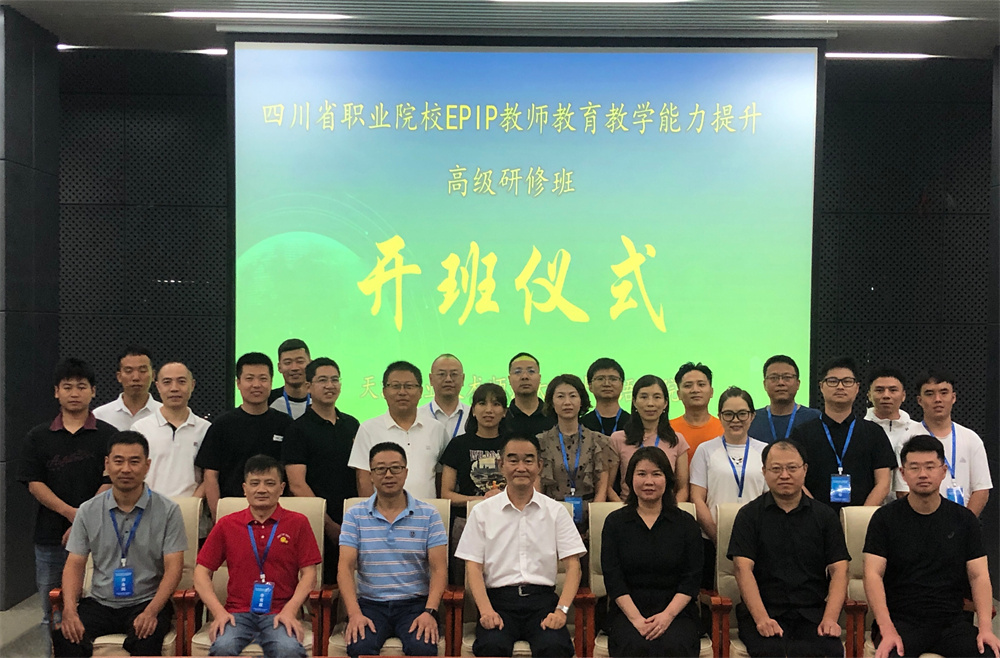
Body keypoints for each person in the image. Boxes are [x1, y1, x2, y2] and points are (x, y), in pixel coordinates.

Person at [53, 431, 187, 657]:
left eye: (134, 462)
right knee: (65, 635)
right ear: (107, 464)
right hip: (99, 602)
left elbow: (174, 567)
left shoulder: (168, 511)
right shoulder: (88, 510)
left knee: (147, 636)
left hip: (146, 601)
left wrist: (152, 611)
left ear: (147, 466)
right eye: (118, 461)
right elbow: (75, 564)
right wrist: (70, 610)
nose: (126, 469)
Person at [864, 434, 1000, 658]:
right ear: (903, 474)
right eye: (914, 467)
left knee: (988, 653)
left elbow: (978, 576)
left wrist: (986, 629)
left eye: (930, 467)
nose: (923, 474)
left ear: (943, 471)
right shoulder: (884, 519)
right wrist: (887, 629)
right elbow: (872, 574)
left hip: (952, 622)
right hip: (901, 622)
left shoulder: (964, 520)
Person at [455, 435, 586, 658]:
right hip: (498, 602)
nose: (521, 467)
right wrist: (486, 611)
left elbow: (574, 566)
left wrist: (561, 611)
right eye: (513, 460)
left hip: (542, 602)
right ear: (501, 465)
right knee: (492, 646)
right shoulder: (482, 512)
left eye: (528, 460)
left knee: (554, 646)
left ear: (539, 465)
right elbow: (473, 567)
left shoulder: (556, 511)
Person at [19, 358, 116, 656]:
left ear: (93, 391)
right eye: (68, 387)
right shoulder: (38, 437)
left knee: (99, 609)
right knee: (52, 612)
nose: (75, 393)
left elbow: (111, 480)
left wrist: (82, 521)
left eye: (81, 387)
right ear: (56, 392)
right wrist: (72, 514)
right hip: (51, 538)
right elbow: (34, 483)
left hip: (101, 538)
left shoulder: (109, 435)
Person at [727, 440, 850, 658]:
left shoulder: (825, 516)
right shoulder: (749, 516)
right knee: (771, 651)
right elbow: (742, 569)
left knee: (828, 651)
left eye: (792, 468)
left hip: (812, 614)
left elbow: (840, 569)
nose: (784, 475)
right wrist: (762, 619)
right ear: (764, 472)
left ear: (805, 469)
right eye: (776, 469)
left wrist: (830, 619)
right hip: (765, 611)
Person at [194, 454, 322, 657]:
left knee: (288, 650)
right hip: (237, 614)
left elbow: (309, 574)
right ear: (245, 489)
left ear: (281, 488)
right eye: (255, 483)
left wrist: (291, 610)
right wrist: (218, 612)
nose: (261, 489)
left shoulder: (298, 522)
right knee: (223, 647)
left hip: (280, 612)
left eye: (270, 483)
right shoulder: (227, 524)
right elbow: (201, 572)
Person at [338, 442, 447, 658]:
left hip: (415, 604)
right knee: (360, 646)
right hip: (370, 604)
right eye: (380, 469)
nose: (388, 475)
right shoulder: (354, 515)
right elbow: (345, 567)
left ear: (406, 472)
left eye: (395, 468)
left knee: (423, 647)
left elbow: (439, 569)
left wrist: (429, 612)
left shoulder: (429, 514)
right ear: (371, 475)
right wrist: (354, 614)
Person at [602, 447, 702, 657]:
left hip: (676, 612)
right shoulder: (615, 523)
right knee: (634, 646)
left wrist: (667, 616)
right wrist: (637, 619)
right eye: (641, 474)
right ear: (630, 479)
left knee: (674, 645)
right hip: (628, 612)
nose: (649, 481)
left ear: (667, 480)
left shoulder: (686, 524)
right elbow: (613, 579)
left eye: (656, 474)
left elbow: (691, 579)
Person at [283, 357, 360, 584]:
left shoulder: (352, 425)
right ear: (308, 386)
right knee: (320, 584)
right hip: (315, 522)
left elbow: (362, 474)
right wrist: (328, 524)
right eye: (323, 380)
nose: (330, 386)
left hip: (352, 519)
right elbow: (297, 484)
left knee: (354, 582)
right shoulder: (297, 429)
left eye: (335, 380)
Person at [790, 356, 896, 512]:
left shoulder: (874, 432)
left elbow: (883, 483)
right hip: (813, 518)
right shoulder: (802, 433)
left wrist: (859, 516)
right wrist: (818, 515)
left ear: (857, 388)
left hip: (862, 519)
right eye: (833, 381)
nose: (840, 386)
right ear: (821, 386)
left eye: (847, 381)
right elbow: (795, 479)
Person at [195, 352, 292, 520]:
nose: (256, 385)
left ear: (271, 382)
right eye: (249, 379)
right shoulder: (222, 425)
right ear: (238, 383)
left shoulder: (285, 424)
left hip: (276, 512)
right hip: (232, 510)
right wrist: (218, 515)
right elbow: (210, 475)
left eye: (263, 379)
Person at [690, 387, 768, 588]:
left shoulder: (765, 451)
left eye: (742, 413)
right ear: (720, 416)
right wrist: (719, 537)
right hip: (711, 539)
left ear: (752, 416)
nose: (735, 420)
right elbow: (697, 498)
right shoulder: (705, 450)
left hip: (757, 540)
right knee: (714, 594)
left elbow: (770, 498)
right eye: (728, 414)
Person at [895, 371, 992, 516]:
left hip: (962, 522)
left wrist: (964, 523)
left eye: (944, 393)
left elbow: (981, 490)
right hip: (919, 521)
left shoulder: (971, 439)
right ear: (919, 400)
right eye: (929, 394)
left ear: (953, 397)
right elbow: (903, 490)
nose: (937, 399)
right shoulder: (906, 439)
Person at [348, 361, 448, 501]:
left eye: (409, 386)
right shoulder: (368, 429)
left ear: (420, 391)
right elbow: (363, 478)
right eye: (395, 386)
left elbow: (440, 477)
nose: (402, 392)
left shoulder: (437, 429)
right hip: (382, 512)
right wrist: (371, 512)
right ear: (384, 392)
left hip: (426, 511)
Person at [439, 383, 507, 582]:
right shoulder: (458, 445)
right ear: (473, 410)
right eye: (482, 403)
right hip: (467, 522)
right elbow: (446, 494)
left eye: (496, 404)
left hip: (508, 521)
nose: (489, 410)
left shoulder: (513, 444)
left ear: (504, 412)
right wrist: (480, 500)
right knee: (465, 582)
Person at [536, 374, 609, 525]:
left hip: (590, 517)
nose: (567, 402)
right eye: (560, 396)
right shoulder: (540, 442)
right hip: (550, 516)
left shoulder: (598, 441)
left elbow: (602, 488)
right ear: (551, 402)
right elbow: (537, 489)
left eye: (573, 396)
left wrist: (593, 521)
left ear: (581, 400)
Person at [131, 361, 210, 498]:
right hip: (150, 505)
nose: (174, 388)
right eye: (167, 382)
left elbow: (210, 475)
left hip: (191, 506)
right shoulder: (140, 428)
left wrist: (193, 503)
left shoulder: (206, 429)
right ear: (158, 386)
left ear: (192, 385)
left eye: (181, 381)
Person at [607, 375, 690, 503]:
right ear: (634, 402)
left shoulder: (677, 440)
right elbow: (607, 486)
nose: (650, 403)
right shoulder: (618, 439)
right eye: (644, 397)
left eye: (657, 397)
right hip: (628, 508)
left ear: (665, 403)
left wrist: (672, 510)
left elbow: (683, 488)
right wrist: (623, 509)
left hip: (666, 510)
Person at [863, 367, 921, 505]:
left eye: (893, 390)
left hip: (909, 507)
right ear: (869, 395)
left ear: (903, 395)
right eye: (879, 390)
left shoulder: (918, 431)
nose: (886, 395)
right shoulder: (859, 430)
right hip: (867, 507)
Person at [747, 355, 821, 444]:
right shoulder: (751, 419)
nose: (781, 383)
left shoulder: (815, 418)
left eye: (787, 377)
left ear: (798, 384)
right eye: (774, 378)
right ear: (764, 384)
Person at [94, 346, 162, 431]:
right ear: (119, 376)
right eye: (129, 371)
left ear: (153, 375)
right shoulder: (100, 415)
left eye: (142, 371)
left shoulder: (164, 414)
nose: (136, 377)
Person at [670, 362, 724, 456]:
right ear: (678, 394)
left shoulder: (724, 428)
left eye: (701, 384)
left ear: (711, 392)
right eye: (688, 386)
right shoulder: (668, 429)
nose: (695, 390)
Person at [419, 353, 471, 441]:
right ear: (431, 379)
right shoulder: (418, 416)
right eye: (441, 374)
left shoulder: (473, 416)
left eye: (454, 374)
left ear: (463, 379)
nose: (448, 379)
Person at [504, 352, 556, 440]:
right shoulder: (502, 418)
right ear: (509, 379)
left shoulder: (554, 415)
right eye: (517, 372)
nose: (524, 377)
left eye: (531, 371)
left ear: (539, 378)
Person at [581, 358, 631, 436]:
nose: (607, 384)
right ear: (590, 386)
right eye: (600, 379)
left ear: (622, 385)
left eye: (613, 379)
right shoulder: (581, 425)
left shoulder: (633, 423)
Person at [268, 338, 312, 419]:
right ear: (279, 367)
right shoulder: (267, 400)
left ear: (310, 364)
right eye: (288, 362)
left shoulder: (320, 400)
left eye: (300, 361)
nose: (294, 368)